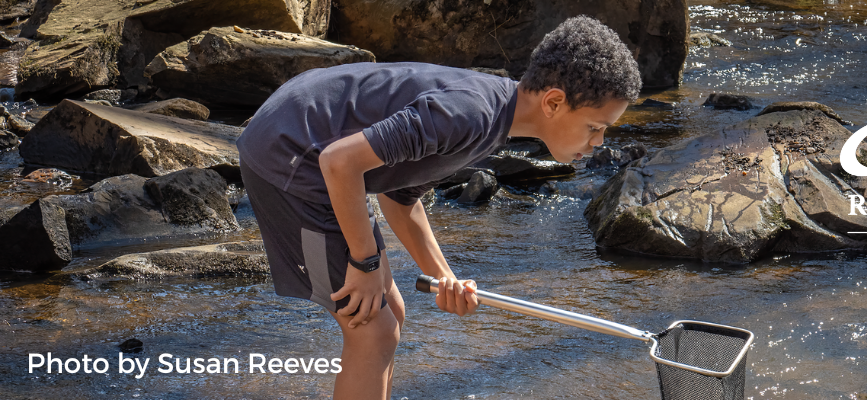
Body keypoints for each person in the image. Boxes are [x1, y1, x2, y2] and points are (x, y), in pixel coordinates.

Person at [236, 15, 642, 399]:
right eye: (595, 127)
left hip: (309, 147)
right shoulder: (469, 114)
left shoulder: (491, 122)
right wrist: (365, 263)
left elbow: (399, 197)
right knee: (372, 329)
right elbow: (339, 162)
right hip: (289, 156)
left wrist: (442, 275)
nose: (599, 142)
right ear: (553, 103)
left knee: (390, 310)